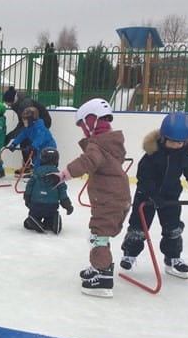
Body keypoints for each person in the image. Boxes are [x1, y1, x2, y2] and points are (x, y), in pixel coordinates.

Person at [48, 98, 131, 297]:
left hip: (107, 198)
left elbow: (88, 161)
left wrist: (63, 175)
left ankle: (102, 279)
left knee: (99, 236)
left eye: (83, 125)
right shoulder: (112, 141)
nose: (83, 131)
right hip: (117, 195)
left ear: (91, 121)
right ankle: (99, 268)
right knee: (101, 234)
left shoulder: (97, 145)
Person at [119, 112, 188, 279]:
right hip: (145, 197)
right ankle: (129, 254)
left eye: (180, 142)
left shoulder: (186, 157)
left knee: (173, 229)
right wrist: (151, 194)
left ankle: (173, 258)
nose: (175, 145)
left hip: (170, 198)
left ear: (186, 141)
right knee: (138, 228)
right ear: (163, 137)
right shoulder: (152, 155)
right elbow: (144, 177)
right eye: (172, 141)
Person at [2, 86, 51, 176]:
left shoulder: (25, 104)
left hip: (43, 121)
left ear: (13, 100)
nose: (7, 105)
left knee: (33, 143)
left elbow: (24, 125)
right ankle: (28, 166)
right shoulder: (16, 103)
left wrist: (10, 136)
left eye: (8, 103)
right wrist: (13, 141)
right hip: (32, 123)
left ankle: (35, 167)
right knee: (24, 140)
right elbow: (23, 126)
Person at [23, 147, 73, 234]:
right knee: (49, 219)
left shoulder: (37, 172)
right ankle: (54, 219)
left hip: (36, 204)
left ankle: (33, 220)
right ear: (57, 161)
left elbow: (29, 185)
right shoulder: (59, 176)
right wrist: (67, 205)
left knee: (27, 223)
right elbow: (62, 191)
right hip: (52, 206)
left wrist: (27, 197)